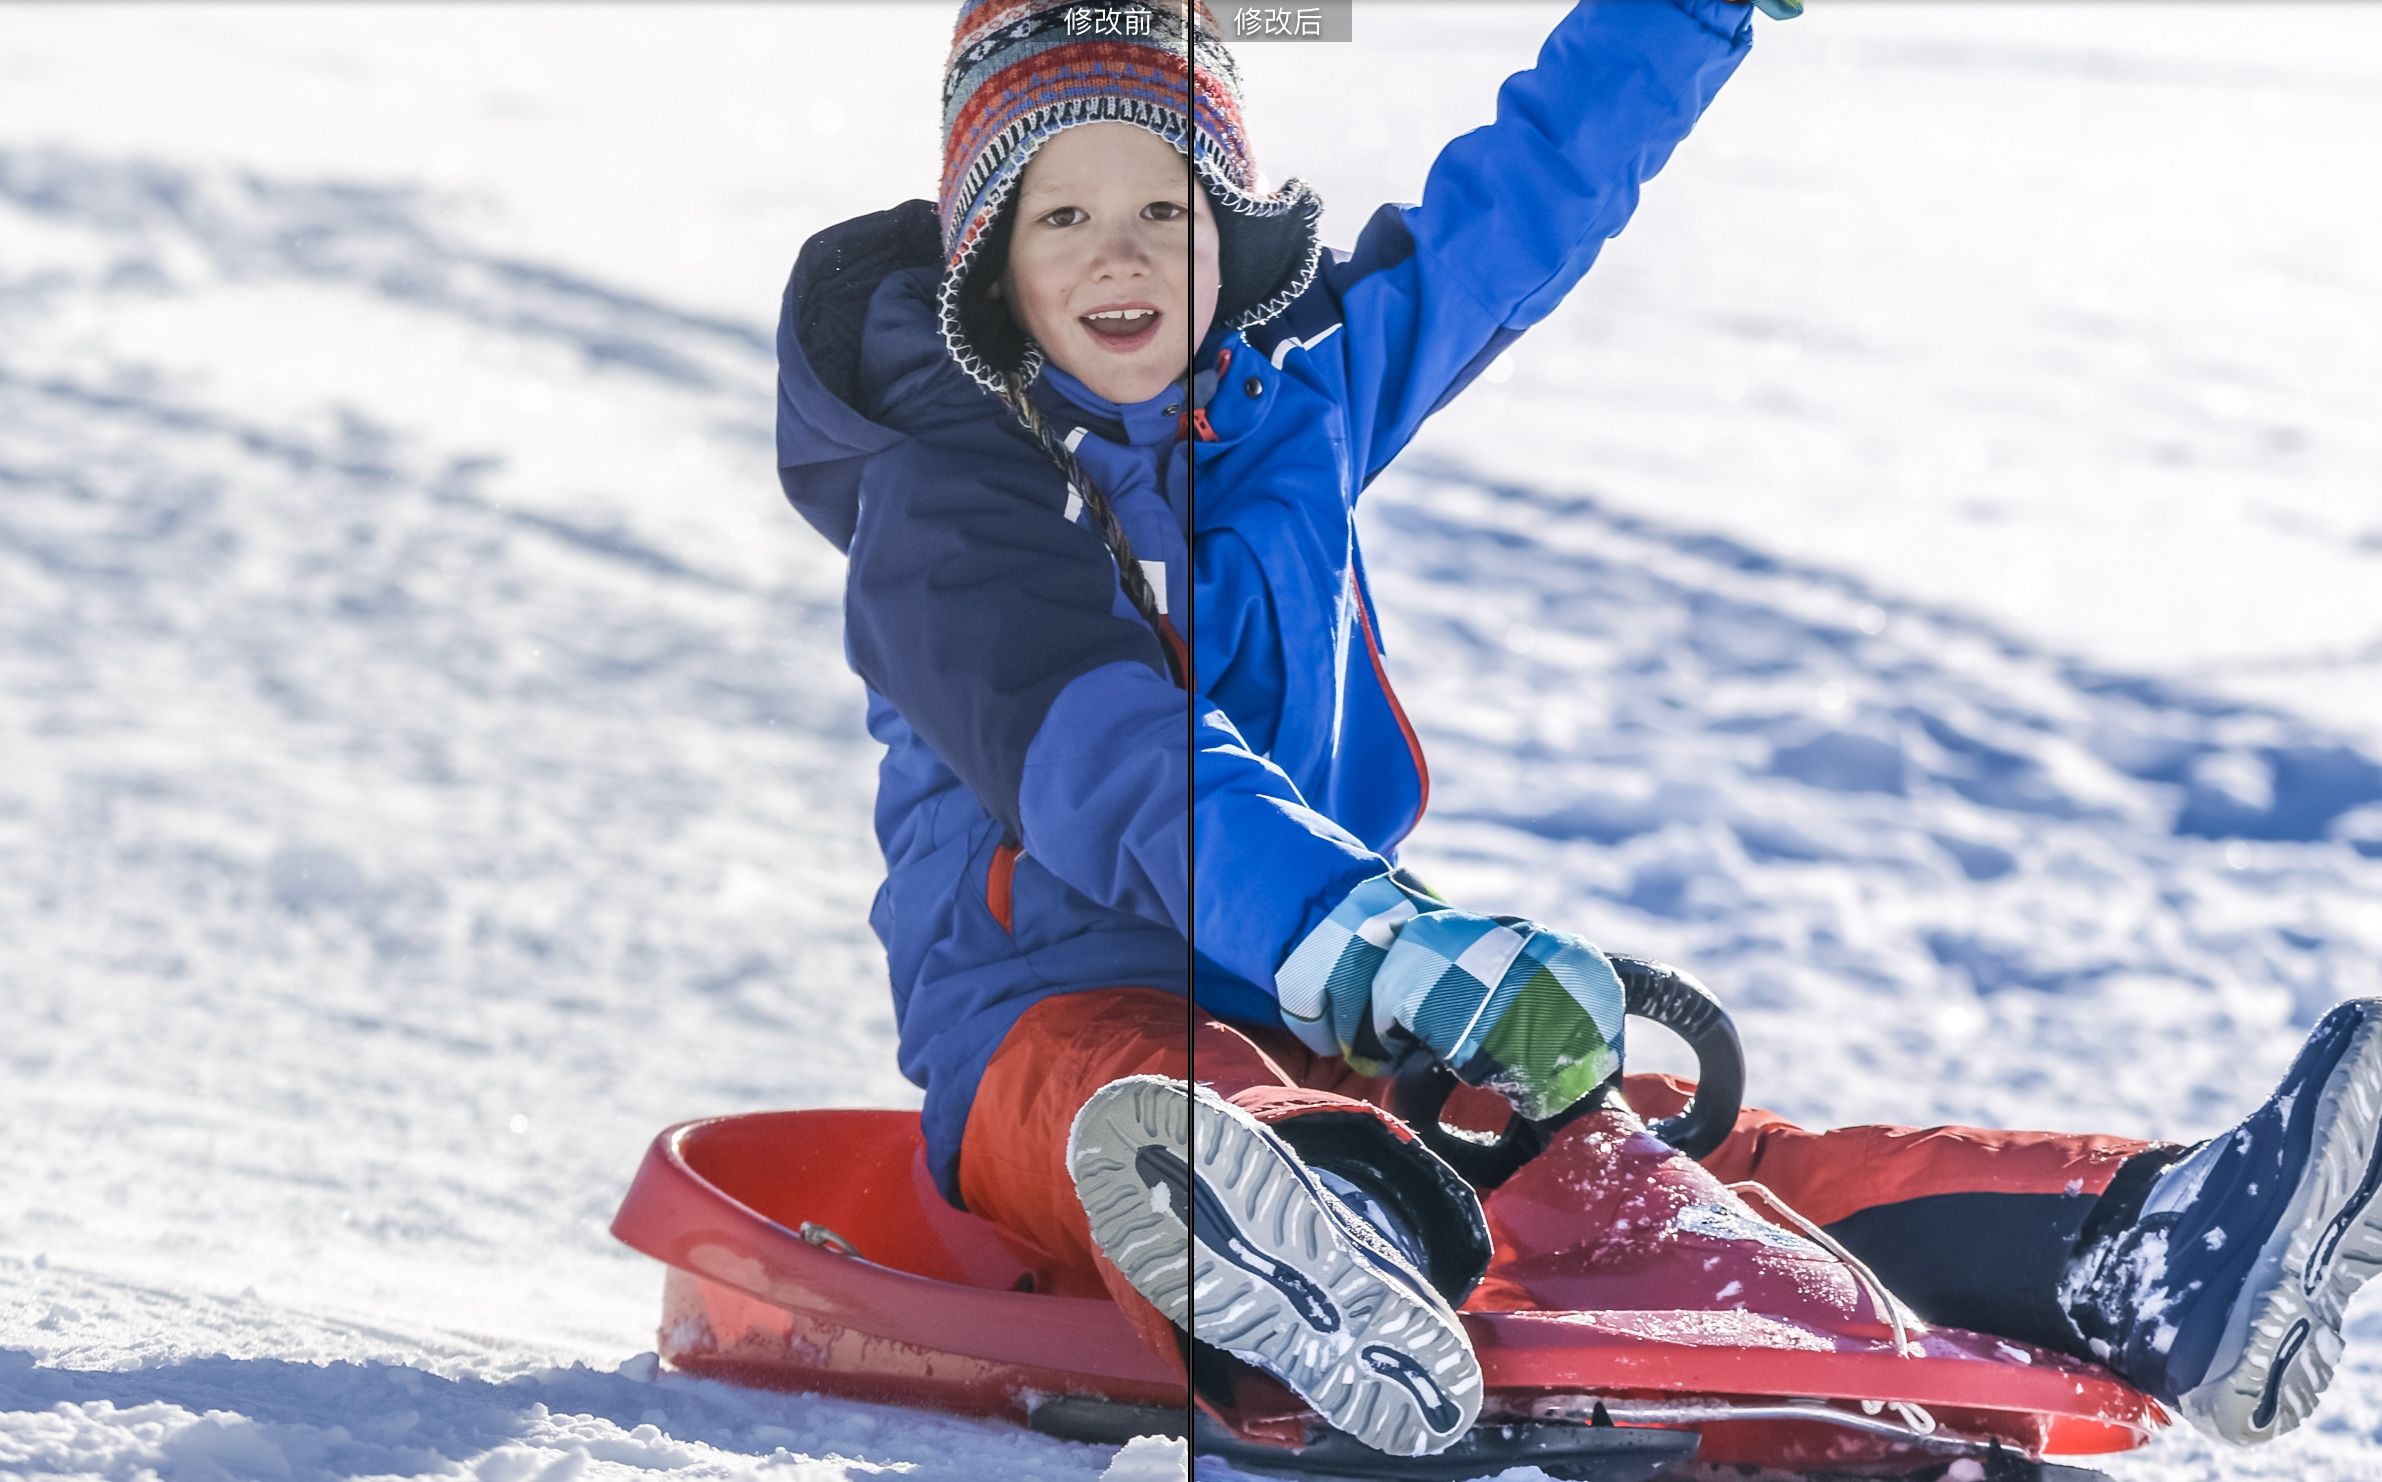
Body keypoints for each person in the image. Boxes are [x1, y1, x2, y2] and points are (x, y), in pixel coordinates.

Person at [772, 0, 2382, 1458]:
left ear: (1227, 232)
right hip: (1052, 1035)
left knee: (1617, 1151)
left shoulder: (1291, 399)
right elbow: (1107, 756)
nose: (1118, 257)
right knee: (1158, 1097)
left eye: (1160, 208)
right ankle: (1320, 1250)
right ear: (990, 253)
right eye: (1063, 215)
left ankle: (2136, 1247)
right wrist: (1369, 931)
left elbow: (1518, 209)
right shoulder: (947, 493)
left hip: (1324, 997)